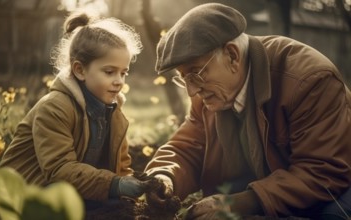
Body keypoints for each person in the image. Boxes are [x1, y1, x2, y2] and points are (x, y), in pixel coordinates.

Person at [144, 3, 351, 219]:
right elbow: (188, 147)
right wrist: (165, 176)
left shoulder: (309, 81)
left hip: (338, 188)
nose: (191, 90)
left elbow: (323, 172)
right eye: (183, 77)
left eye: (196, 73)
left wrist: (240, 203)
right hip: (272, 187)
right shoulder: (209, 93)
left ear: (232, 56)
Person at [0, 9, 149, 212]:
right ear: (80, 70)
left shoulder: (113, 112)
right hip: (20, 197)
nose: (119, 81)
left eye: (124, 73)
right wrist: (115, 185)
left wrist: (130, 186)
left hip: (67, 195)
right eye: (109, 72)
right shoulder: (54, 108)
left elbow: (120, 166)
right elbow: (59, 169)